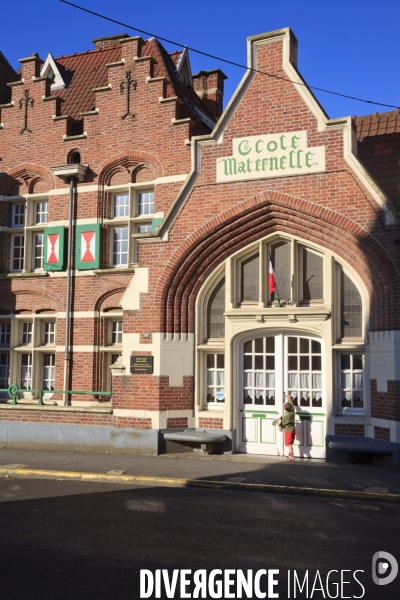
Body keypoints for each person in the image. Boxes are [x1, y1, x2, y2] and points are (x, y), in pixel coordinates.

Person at [281, 394, 295, 460]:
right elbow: (291, 405)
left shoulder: (287, 416)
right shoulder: (292, 412)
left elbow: (282, 423)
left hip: (288, 431)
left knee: (289, 444)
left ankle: (291, 455)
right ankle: (291, 454)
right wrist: (289, 399)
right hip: (292, 430)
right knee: (291, 443)